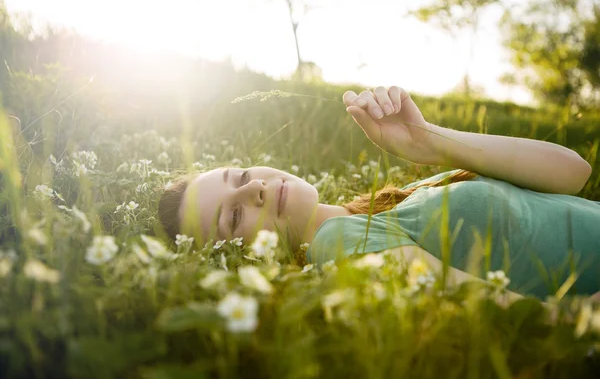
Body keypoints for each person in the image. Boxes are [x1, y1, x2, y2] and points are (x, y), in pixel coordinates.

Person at [158, 86, 600, 301]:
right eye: (233, 218)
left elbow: (573, 172)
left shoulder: (386, 204)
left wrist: (428, 141)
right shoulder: (335, 245)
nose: (254, 188)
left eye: (242, 175)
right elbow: (514, 312)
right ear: (240, 259)